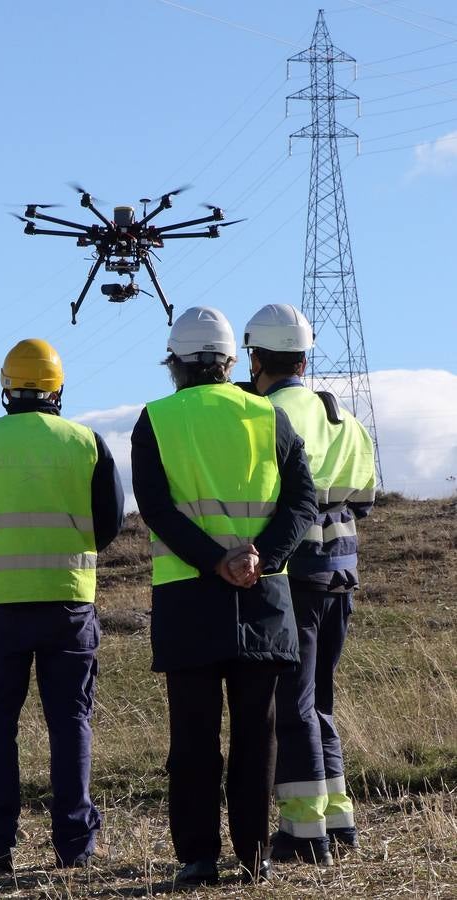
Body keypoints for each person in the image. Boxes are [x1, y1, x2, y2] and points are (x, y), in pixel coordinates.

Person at [130, 306, 317, 887]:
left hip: (188, 599)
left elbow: (157, 510)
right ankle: (254, 857)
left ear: (175, 362)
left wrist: (216, 560)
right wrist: (261, 556)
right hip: (263, 598)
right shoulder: (269, 418)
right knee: (255, 736)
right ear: (232, 360)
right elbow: (302, 503)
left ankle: (197, 857)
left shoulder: (154, 420)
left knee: (192, 737)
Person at [0, 338, 124, 874]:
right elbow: (110, 522)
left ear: (6, 387)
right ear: (56, 388)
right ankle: (75, 845)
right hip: (68, 601)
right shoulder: (87, 443)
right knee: (71, 722)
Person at [241, 303, 376, 865]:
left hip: (294, 577)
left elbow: (264, 500)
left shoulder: (267, 415)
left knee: (292, 703)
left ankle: (304, 834)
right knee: (320, 700)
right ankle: (337, 823)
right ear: (303, 355)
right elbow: (365, 499)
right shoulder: (343, 416)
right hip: (341, 573)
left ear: (256, 356)